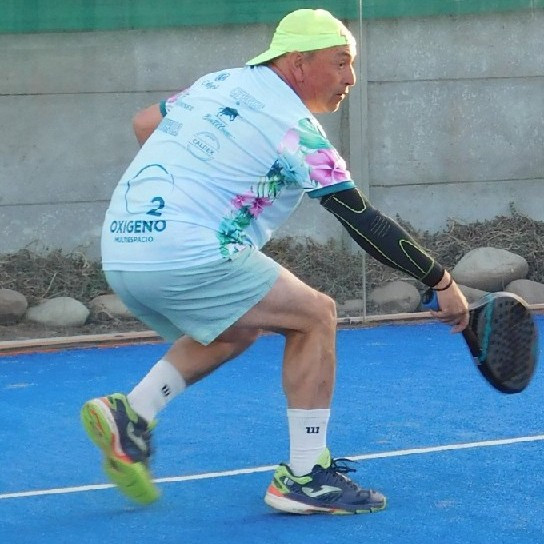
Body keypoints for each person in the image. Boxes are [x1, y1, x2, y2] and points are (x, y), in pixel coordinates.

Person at [81, 8, 469, 515]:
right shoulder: (296, 130)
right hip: (186, 253)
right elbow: (362, 221)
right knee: (316, 315)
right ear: (298, 62)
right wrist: (440, 280)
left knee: (238, 326)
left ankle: (133, 414)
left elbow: (145, 123)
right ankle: (305, 476)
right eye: (340, 62)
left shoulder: (218, 84)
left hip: (122, 250)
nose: (351, 77)